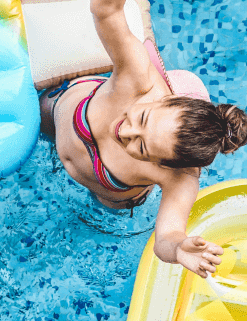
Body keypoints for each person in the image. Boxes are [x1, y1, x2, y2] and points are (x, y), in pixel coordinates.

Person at [40, 0, 246, 278]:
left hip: (108, 190)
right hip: (59, 113)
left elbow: (167, 236)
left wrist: (178, 248)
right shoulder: (137, 74)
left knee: (104, 213)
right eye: (143, 118)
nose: (124, 132)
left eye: (141, 147)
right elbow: (106, 13)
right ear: (166, 99)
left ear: (165, 164)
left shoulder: (181, 177)